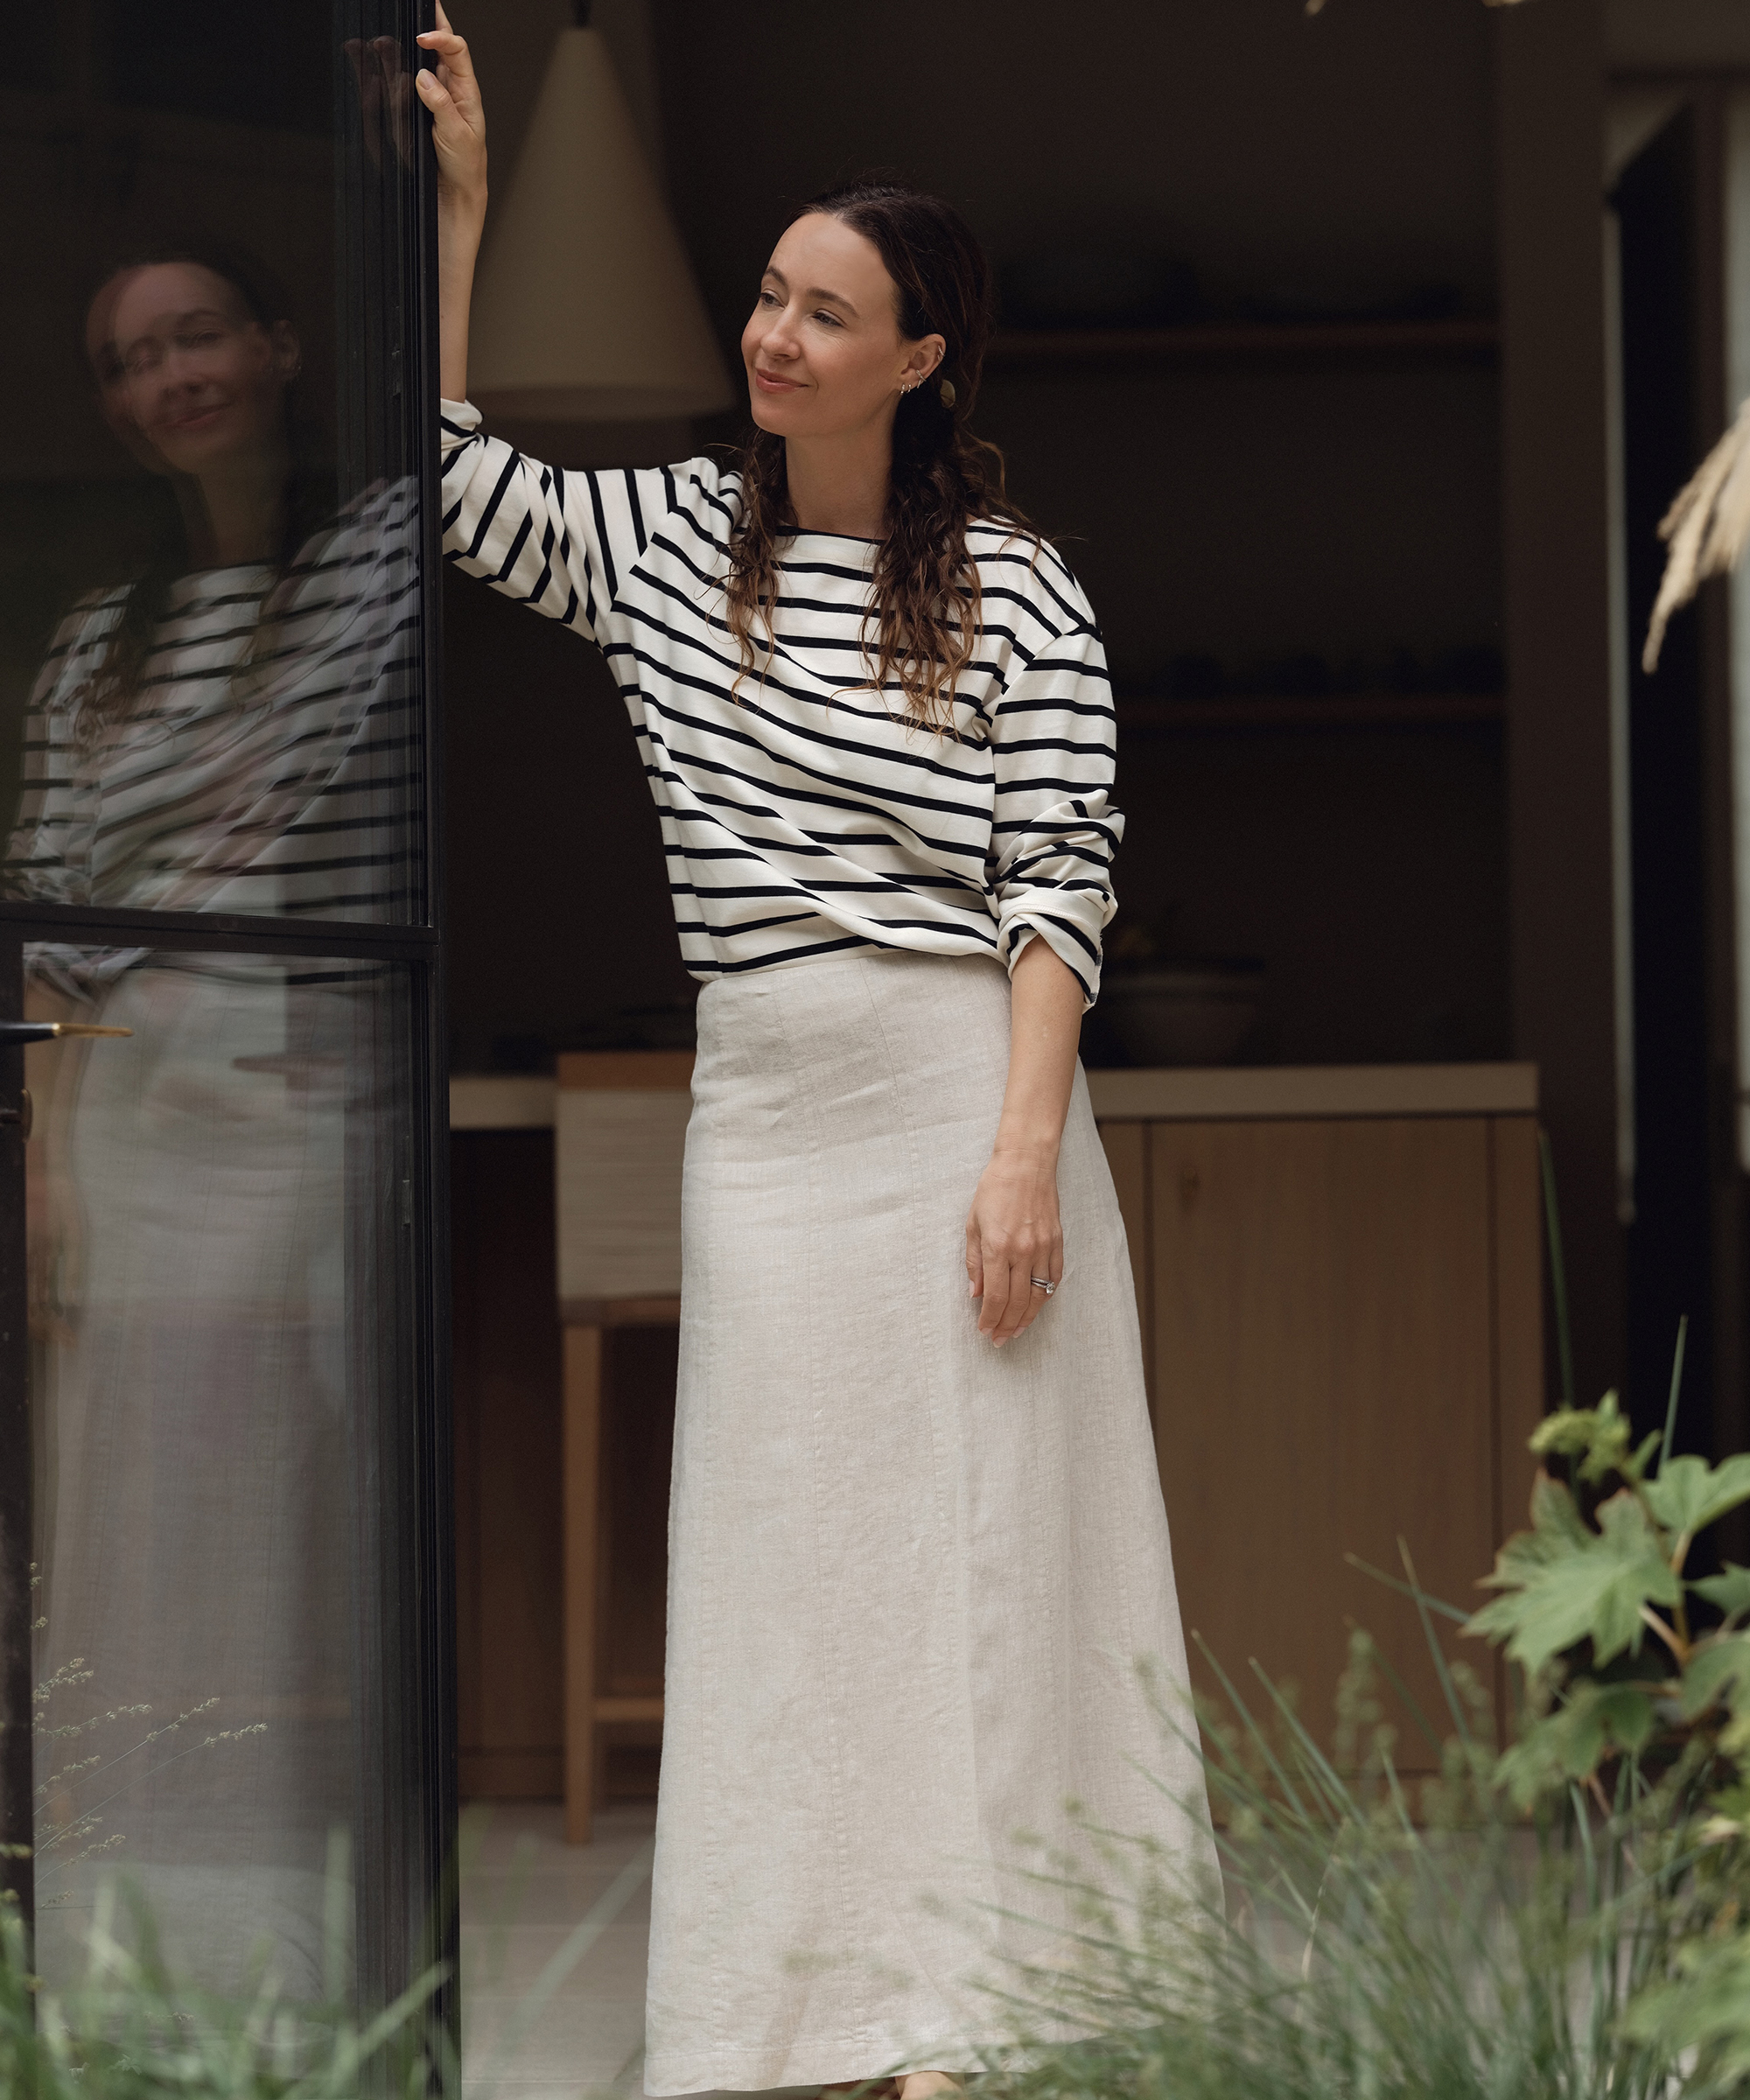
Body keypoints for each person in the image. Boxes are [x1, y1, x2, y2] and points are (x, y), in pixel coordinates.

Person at [416, 16, 1219, 2094]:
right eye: (768, 296)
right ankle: (799, 2020)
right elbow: (450, 490)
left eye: (823, 311)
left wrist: (1023, 1154)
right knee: (797, 1571)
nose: (773, 336)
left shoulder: (1023, 593)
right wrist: (465, 211)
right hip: (766, 1118)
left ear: (923, 355)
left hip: (967, 1103)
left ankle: (984, 2015)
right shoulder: (672, 537)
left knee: (993, 1571)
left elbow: (1059, 879)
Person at [12, 243, 418, 1996]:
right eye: (132, 359)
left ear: (279, 343)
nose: (171, 376)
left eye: (199, 337)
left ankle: (318, 1900)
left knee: (305, 1494)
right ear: (113, 408)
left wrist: (456, 195)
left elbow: (454, 451)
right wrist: (41, 1158)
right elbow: (41, 913)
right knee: (137, 1509)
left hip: (309, 1089)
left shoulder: (375, 564)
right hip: (131, 1110)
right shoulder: (101, 642)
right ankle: (140, 1913)